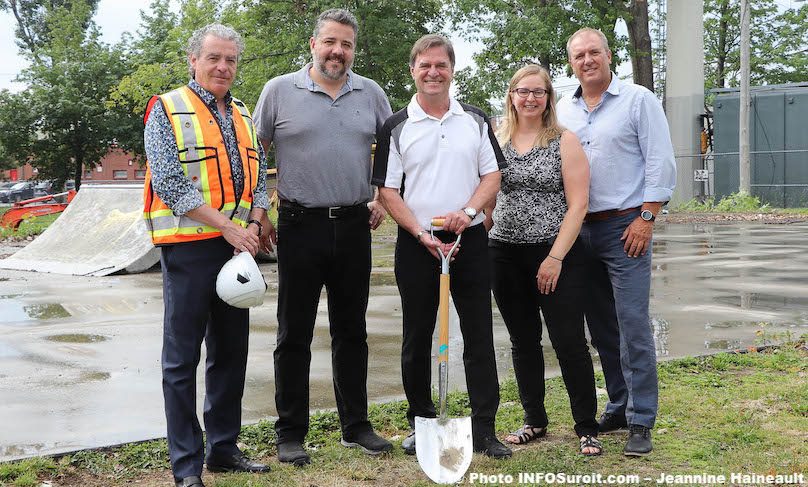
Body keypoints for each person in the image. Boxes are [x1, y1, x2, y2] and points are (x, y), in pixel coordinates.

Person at [252, 8, 393, 466]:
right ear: (313, 44)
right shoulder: (278, 91)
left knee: (352, 331)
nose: (338, 51)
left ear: (355, 49)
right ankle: (291, 431)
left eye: (347, 44)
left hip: (355, 226)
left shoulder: (371, 93)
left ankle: (356, 426)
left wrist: (381, 198)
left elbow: (393, 155)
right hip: (298, 225)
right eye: (330, 42)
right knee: (294, 333)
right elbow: (254, 155)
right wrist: (260, 211)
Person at [143, 24, 273, 487]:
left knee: (230, 352)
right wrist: (230, 227)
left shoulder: (242, 111)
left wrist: (255, 224)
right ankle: (185, 466)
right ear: (193, 60)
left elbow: (260, 178)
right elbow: (170, 183)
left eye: (231, 60)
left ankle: (222, 448)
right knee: (182, 360)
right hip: (188, 248)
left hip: (236, 248)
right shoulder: (167, 108)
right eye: (214, 58)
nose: (223, 67)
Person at [373, 34, 512, 459]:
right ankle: (422, 420)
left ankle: (485, 429)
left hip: (468, 241)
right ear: (413, 70)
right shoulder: (396, 125)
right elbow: (388, 190)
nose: (433, 73)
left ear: (452, 70)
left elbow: (492, 176)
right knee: (416, 336)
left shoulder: (474, 119)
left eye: (441, 65)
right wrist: (418, 232)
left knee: (478, 335)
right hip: (418, 244)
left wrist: (468, 213)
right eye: (425, 65)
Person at [556, 28, 676, 457]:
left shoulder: (638, 100)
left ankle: (642, 420)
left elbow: (660, 160)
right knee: (602, 328)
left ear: (609, 56)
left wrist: (647, 218)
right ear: (571, 62)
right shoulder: (562, 110)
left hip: (625, 227)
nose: (586, 60)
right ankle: (620, 405)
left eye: (593, 53)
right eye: (578, 55)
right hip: (578, 229)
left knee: (633, 326)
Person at [484, 64, 600, 455]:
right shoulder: (494, 139)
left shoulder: (564, 140)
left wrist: (554, 258)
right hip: (503, 252)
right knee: (523, 340)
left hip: (555, 252)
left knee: (568, 341)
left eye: (539, 92)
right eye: (523, 91)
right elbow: (485, 195)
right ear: (511, 95)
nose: (530, 98)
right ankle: (534, 419)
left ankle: (586, 425)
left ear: (548, 98)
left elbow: (578, 203)